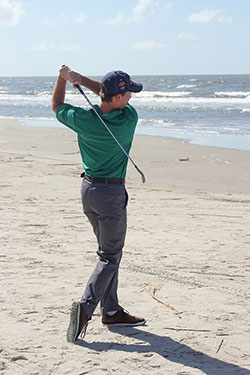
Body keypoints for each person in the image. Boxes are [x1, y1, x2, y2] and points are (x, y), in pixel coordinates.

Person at [51, 66, 146, 343]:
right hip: (111, 194)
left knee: (107, 252)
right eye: (127, 92)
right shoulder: (128, 118)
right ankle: (85, 307)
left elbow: (57, 105)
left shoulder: (84, 119)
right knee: (110, 256)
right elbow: (107, 96)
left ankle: (112, 310)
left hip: (88, 190)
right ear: (118, 98)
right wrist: (84, 82)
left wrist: (65, 79)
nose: (130, 97)